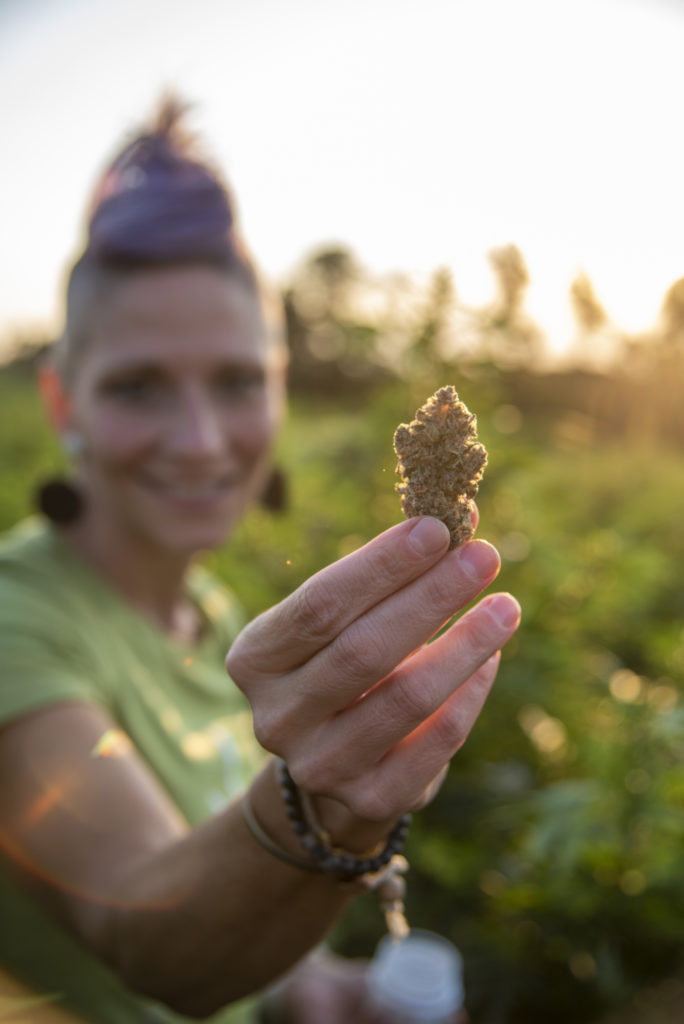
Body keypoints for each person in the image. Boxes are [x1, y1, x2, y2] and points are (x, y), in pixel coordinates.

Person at [0, 98, 521, 1024]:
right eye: (138, 384)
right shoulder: (15, 622)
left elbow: (235, 934)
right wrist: (321, 813)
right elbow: (149, 943)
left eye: (237, 381)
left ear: (280, 392)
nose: (200, 442)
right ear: (61, 405)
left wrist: (318, 986)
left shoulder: (216, 610)